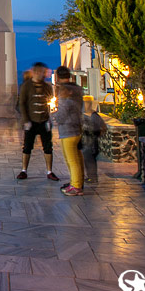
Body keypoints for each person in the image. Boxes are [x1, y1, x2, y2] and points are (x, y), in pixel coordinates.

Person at [16, 62, 59, 181]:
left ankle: (49, 171)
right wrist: (26, 120)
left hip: (44, 120)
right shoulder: (26, 86)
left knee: (48, 147)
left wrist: (49, 119)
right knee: (27, 146)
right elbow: (22, 103)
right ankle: (24, 170)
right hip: (31, 121)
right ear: (34, 72)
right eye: (39, 71)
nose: (41, 74)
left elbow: (49, 101)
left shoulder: (47, 86)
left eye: (42, 72)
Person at [53, 65, 84, 196]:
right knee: (77, 158)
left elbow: (63, 111)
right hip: (77, 126)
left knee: (71, 159)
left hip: (68, 128)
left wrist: (55, 117)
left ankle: (75, 186)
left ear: (58, 77)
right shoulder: (77, 89)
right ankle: (77, 182)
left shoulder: (64, 90)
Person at [81, 98, 106, 184]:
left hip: (91, 143)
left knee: (90, 160)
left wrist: (95, 135)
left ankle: (92, 177)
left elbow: (102, 128)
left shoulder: (94, 116)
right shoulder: (88, 115)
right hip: (88, 142)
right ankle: (91, 177)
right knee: (89, 160)